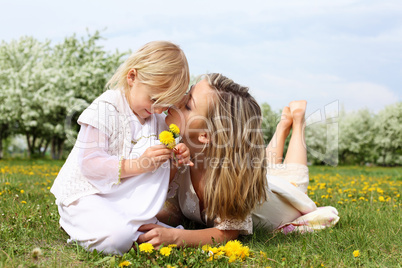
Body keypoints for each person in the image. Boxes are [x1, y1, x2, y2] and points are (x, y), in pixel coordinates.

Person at [137, 73, 339, 247]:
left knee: (293, 179)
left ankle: (297, 121)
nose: (178, 99)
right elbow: (176, 212)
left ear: (205, 136)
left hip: (280, 198)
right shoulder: (181, 158)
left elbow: (226, 233)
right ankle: (283, 125)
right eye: (188, 92)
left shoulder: (227, 179)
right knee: (269, 166)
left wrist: (176, 237)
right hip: (258, 176)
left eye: (188, 104)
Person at [50, 41, 192, 255]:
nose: (159, 109)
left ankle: (131, 232)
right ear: (132, 77)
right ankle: (81, 225)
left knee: (125, 232)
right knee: (117, 237)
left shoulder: (156, 118)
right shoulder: (107, 108)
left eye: (166, 104)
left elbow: (160, 176)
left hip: (123, 203)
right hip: (88, 196)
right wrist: (138, 164)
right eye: (154, 99)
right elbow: (90, 164)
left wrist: (176, 157)